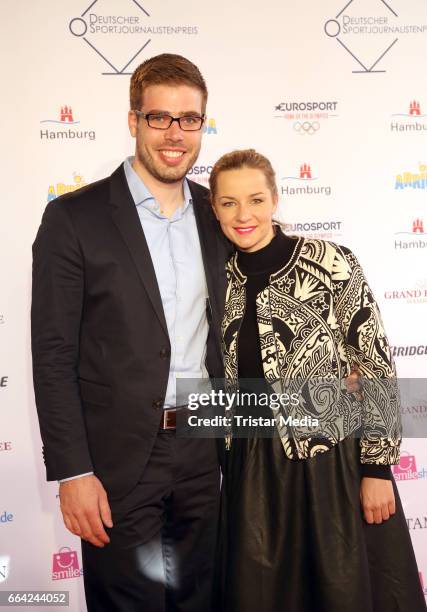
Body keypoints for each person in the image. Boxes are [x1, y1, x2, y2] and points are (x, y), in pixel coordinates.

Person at [31, 54, 232, 612]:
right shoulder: (74, 217)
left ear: (203, 124)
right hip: (118, 463)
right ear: (133, 120)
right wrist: (73, 471)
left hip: (204, 452)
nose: (175, 134)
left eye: (189, 119)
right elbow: (52, 356)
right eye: (159, 117)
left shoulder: (219, 215)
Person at [208, 149, 426, 612]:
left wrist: (376, 468)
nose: (243, 214)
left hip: (333, 463)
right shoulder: (217, 277)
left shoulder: (330, 261)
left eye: (255, 199)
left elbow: (374, 362)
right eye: (228, 203)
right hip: (250, 467)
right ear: (214, 209)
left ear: (275, 199)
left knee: (343, 593)